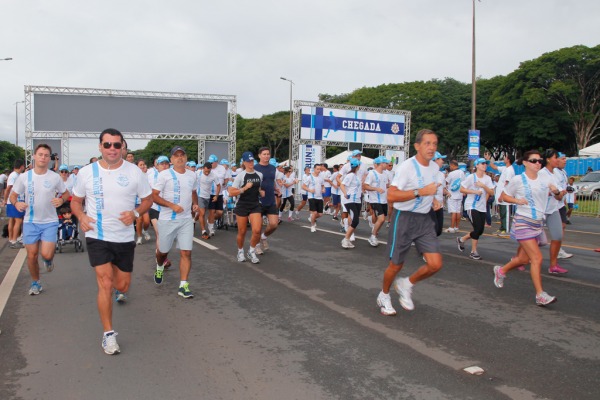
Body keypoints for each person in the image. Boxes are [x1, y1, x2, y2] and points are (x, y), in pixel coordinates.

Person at [71, 128, 153, 355]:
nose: (112, 149)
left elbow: (148, 199)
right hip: (97, 235)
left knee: (122, 285)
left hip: (124, 237)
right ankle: (108, 334)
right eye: (107, 145)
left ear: (123, 147)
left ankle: (119, 292)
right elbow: (76, 201)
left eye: (116, 145)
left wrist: (136, 214)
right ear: (100, 147)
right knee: (105, 283)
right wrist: (81, 216)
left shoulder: (135, 172)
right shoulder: (87, 172)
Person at [376, 129, 443, 316]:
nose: (431, 147)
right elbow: (391, 195)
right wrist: (419, 192)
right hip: (403, 218)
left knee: (435, 264)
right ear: (417, 146)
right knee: (396, 265)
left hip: (424, 219)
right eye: (427, 143)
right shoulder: (406, 167)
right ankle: (384, 294)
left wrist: (434, 199)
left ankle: (406, 284)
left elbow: (431, 189)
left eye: (434, 143)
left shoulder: (435, 168)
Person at [492, 150, 558, 306]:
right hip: (523, 222)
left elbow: (554, 190)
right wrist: (517, 201)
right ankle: (540, 295)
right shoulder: (518, 179)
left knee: (523, 259)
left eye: (539, 160)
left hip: (537, 223)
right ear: (526, 163)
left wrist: (556, 191)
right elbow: (503, 196)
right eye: (534, 160)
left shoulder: (544, 179)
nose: (538, 163)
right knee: (537, 258)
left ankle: (501, 271)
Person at [10, 144, 69, 295]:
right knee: (32, 255)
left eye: (46, 155)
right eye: (40, 154)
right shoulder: (25, 177)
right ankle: (36, 282)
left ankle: (48, 261)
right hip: (30, 221)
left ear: (49, 159)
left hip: (49, 221)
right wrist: (17, 203)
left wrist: (61, 201)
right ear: (34, 156)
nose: (43, 157)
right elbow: (13, 195)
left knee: (47, 254)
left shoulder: (55, 177)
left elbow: (66, 194)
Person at [151, 146, 199, 299]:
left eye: (182, 155)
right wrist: (171, 205)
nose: (180, 158)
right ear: (171, 160)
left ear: (186, 157)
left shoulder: (192, 175)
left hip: (185, 220)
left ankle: (183, 285)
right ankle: (159, 266)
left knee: (186, 252)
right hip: (168, 219)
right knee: (163, 252)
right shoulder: (164, 175)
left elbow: (193, 191)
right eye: (176, 156)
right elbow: (154, 196)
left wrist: (195, 204)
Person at [228, 152, 264, 264]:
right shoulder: (241, 176)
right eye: (248, 161)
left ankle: (251, 251)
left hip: (255, 205)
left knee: (257, 231)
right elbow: (231, 192)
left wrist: (261, 191)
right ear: (244, 162)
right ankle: (240, 251)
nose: (250, 163)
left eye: (252, 161)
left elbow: (258, 188)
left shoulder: (259, 175)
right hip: (242, 205)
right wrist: (244, 188)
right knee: (242, 231)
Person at [456, 158, 495, 260]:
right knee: (477, 228)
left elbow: (491, 192)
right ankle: (473, 252)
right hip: (471, 206)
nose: (484, 165)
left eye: (485, 164)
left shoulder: (487, 179)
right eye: (482, 163)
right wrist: (474, 192)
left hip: (482, 207)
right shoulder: (471, 177)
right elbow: (461, 189)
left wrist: (483, 186)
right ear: (477, 165)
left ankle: (462, 239)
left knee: (480, 230)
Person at [538, 149, 569, 274]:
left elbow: (558, 195)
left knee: (558, 236)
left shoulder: (556, 173)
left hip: (552, 209)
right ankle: (519, 258)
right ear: (548, 159)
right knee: (534, 239)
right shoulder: (541, 173)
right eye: (556, 157)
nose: (558, 160)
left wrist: (559, 193)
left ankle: (553, 266)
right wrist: (556, 192)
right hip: (540, 210)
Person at [254, 147, 279, 254]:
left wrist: (276, 188)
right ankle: (256, 245)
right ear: (259, 155)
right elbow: (251, 183)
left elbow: (271, 181)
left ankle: (264, 237)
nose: (266, 156)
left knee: (274, 224)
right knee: (257, 228)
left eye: (268, 154)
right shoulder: (255, 168)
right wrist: (259, 190)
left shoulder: (273, 168)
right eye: (264, 154)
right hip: (258, 201)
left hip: (270, 199)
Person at [363, 156, 390, 247]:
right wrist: (376, 189)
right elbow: (365, 186)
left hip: (383, 200)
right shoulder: (372, 173)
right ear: (381, 164)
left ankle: (374, 231)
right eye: (386, 163)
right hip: (375, 200)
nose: (387, 165)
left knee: (382, 220)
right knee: (381, 218)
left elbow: (386, 186)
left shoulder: (385, 174)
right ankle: (373, 236)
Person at [486, 154, 516, 236]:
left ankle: (506, 230)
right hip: (500, 196)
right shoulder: (505, 168)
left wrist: (502, 195)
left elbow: (507, 183)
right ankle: (502, 228)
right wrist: (488, 160)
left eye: (505, 157)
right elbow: (494, 167)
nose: (504, 158)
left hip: (505, 197)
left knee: (505, 213)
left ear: (508, 159)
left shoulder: (510, 170)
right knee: (502, 213)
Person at [340, 159, 364, 248]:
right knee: (355, 221)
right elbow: (342, 185)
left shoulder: (356, 176)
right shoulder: (350, 175)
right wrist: (345, 193)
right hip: (350, 200)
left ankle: (348, 237)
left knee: (355, 220)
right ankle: (345, 239)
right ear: (358, 166)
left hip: (357, 200)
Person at [196, 162, 220, 239]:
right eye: (205, 171)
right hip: (200, 196)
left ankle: (195, 220)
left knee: (209, 213)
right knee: (202, 213)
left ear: (210, 169)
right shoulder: (198, 173)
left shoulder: (213, 175)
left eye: (208, 171)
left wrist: (216, 196)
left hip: (208, 196)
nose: (206, 173)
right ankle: (203, 231)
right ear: (203, 168)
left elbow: (218, 185)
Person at [555, 152, 573, 258]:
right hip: (552, 205)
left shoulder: (563, 172)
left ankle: (558, 250)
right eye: (563, 159)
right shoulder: (554, 172)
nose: (565, 161)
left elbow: (564, 186)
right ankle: (522, 255)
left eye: (565, 159)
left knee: (563, 226)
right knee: (537, 233)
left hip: (561, 204)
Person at [5, 159, 26, 248]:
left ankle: (11, 239)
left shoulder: (17, 175)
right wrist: (5, 200)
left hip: (14, 201)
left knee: (12, 220)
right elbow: (8, 188)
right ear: (21, 166)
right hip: (14, 201)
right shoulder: (14, 175)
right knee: (19, 220)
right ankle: (14, 240)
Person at [206, 154, 228, 235]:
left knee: (219, 212)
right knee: (212, 211)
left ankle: (210, 220)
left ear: (216, 162)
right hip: (210, 193)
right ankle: (211, 229)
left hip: (220, 193)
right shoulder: (208, 168)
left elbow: (226, 178)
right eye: (210, 162)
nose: (211, 164)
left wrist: (225, 182)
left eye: (212, 163)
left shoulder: (222, 168)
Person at [302, 164, 325, 233]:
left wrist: (323, 189)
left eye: (320, 169)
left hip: (319, 197)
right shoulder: (309, 177)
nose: (319, 171)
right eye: (317, 169)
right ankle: (312, 226)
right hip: (312, 197)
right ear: (314, 169)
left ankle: (311, 217)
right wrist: (310, 190)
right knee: (314, 212)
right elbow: (303, 186)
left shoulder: (321, 178)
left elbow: (323, 186)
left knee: (320, 214)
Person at [445, 160, 465, 233]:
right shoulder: (462, 173)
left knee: (453, 212)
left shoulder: (451, 174)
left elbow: (446, 182)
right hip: (459, 194)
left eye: (450, 166)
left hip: (452, 194)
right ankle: (457, 227)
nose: (450, 167)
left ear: (453, 165)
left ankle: (452, 227)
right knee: (458, 211)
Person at [135, 159, 152, 244]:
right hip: (136, 202)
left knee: (146, 221)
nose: (142, 166)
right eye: (140, 165)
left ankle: (144, 230)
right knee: (139, 220)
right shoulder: (134, 175)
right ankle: (139, 237)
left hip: (145, 202)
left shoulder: (147, 175)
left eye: (143, 164)